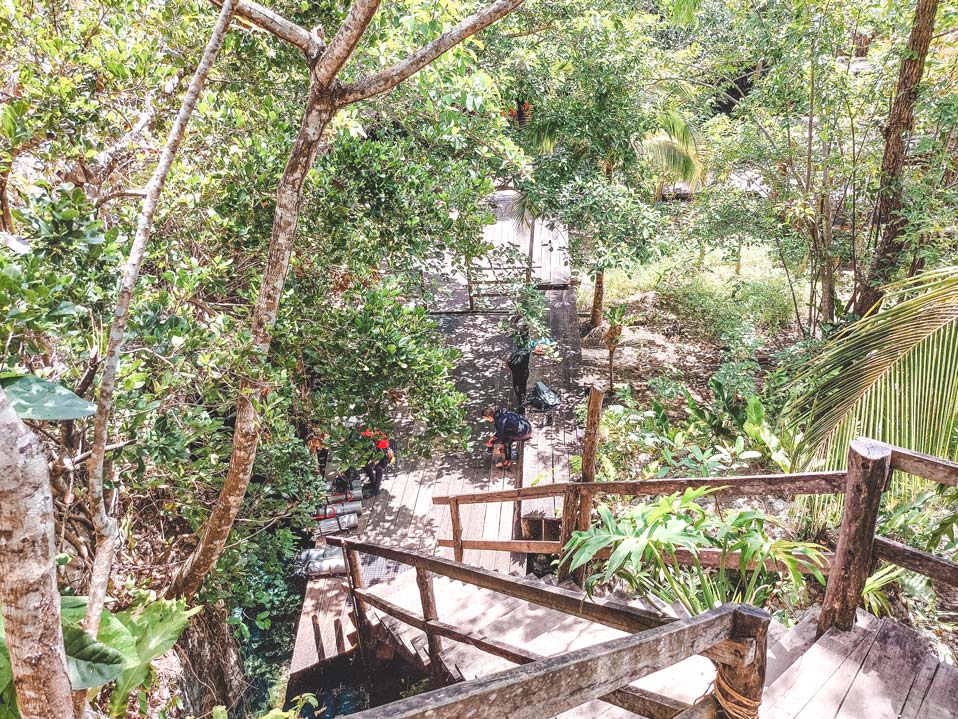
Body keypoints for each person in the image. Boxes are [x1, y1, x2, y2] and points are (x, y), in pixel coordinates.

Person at [481, 405, 533, 470]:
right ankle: (503, 451)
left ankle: (507, 462)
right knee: (506, 435)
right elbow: (502, 430)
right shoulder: (502, 412)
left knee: (506, 441)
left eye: (486, 419)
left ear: (488, 416)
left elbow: (500, 438)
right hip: (528, 427)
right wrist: (494, 437)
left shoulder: (499, 421)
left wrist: (492, 443)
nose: (486, 420)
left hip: (524, 433)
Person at [505, 341, 546, 408]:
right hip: (523, 371)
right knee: (521, 386)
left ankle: (521, 402)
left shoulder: (513, 364)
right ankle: (521, 400)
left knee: (519, 387)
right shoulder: (523, 351)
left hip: (521, 374)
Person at [360, 428, 394, 494]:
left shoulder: (376, 435)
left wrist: (377, 458)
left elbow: (382, 444)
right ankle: (373, 482)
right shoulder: (367, 433)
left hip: (380, 449)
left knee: (378, 468)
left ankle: (376, 489)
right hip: (373, 448)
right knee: (365, 465)